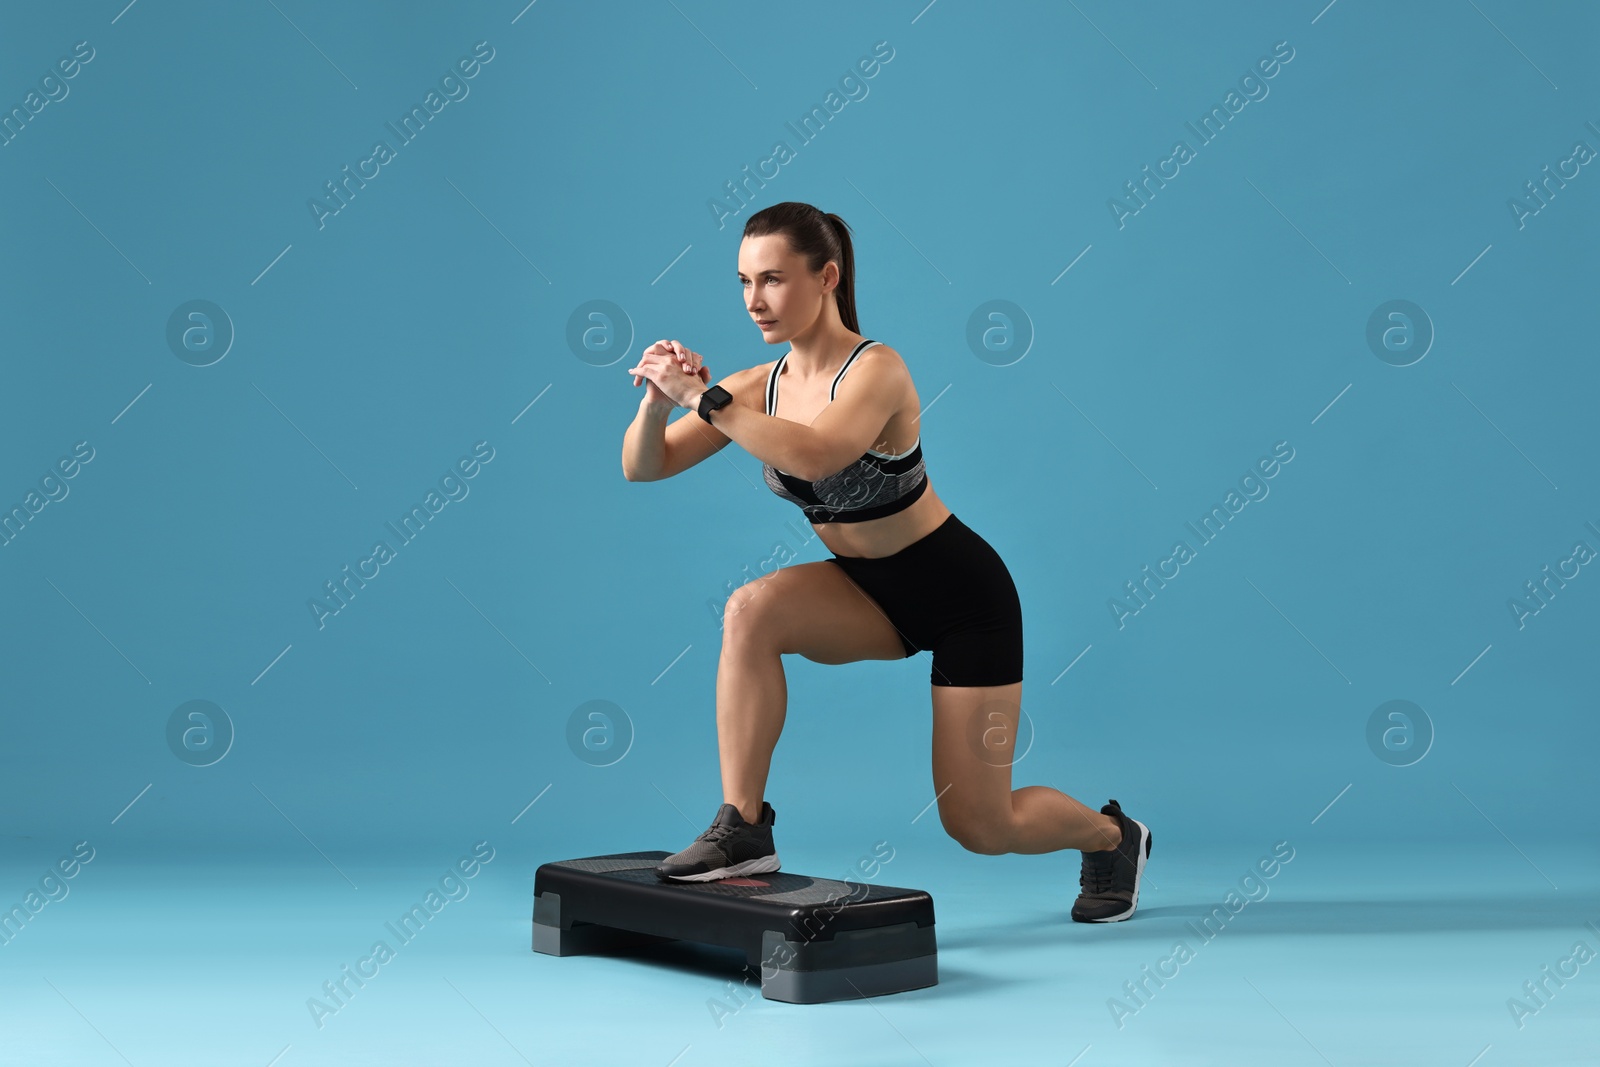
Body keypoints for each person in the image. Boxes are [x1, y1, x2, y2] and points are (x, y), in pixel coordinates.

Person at [621, 201, 1151, 922]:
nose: (754, 300)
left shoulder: (876, 372)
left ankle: (1113, 836)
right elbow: (644, 467)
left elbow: (814, 451)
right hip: (867, 592)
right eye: (743, 281)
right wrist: (658, 400)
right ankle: (743, 825)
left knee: (980, 825)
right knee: (751, 609)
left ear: (827, 276)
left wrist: (703, 398)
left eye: (772, 279)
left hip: (964, 596)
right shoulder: (754, 387)